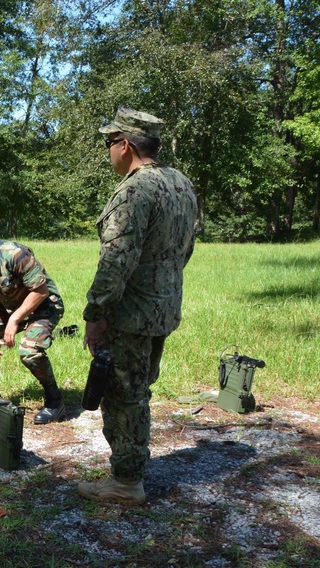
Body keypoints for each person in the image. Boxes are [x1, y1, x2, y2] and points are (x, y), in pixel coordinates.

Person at [78, 107, 197, 504]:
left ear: (125, 145)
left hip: (130, 315)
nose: (108, 152)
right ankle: (133, 468)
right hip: (163, 309)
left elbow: (116, 261)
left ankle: (126, 483)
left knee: (124, 396)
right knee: (139, 390)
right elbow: (184, 251)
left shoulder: (134, 190)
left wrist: (96, 315)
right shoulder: (181, 184)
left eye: (109, 143)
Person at [0, 215, 67, 424]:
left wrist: (15, 319)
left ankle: (55, 401)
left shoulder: (15, 254)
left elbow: (41, 291)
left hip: (43, 306)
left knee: (30, 350)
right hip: (10, 306)